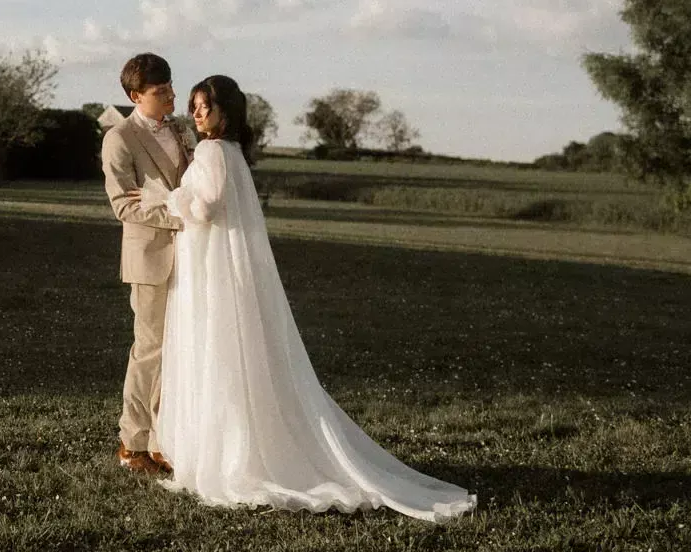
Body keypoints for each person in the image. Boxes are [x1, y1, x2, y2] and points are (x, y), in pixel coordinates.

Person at [140, 74, 476, 521]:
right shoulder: (232, 152)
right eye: (195, 106)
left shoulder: (213, 152)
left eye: (206, 106)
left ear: (226, 112)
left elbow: (206, 207)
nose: (198, 114)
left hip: (209, 267)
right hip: (214, 262)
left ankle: (230, 458)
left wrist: (172, 199)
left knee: (215, 347)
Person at [100, 52, 196, 476]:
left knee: (178, 351)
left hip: (192, 258)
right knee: (150, 351)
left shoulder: (181, 129)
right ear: (135, 96)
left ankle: (162, 442)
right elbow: (124, 205)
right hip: (151, 259)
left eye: (171, 87)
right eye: (160, 91)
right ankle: (132, 442)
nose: (171, 96)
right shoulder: (119, 138)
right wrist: (182, 217)